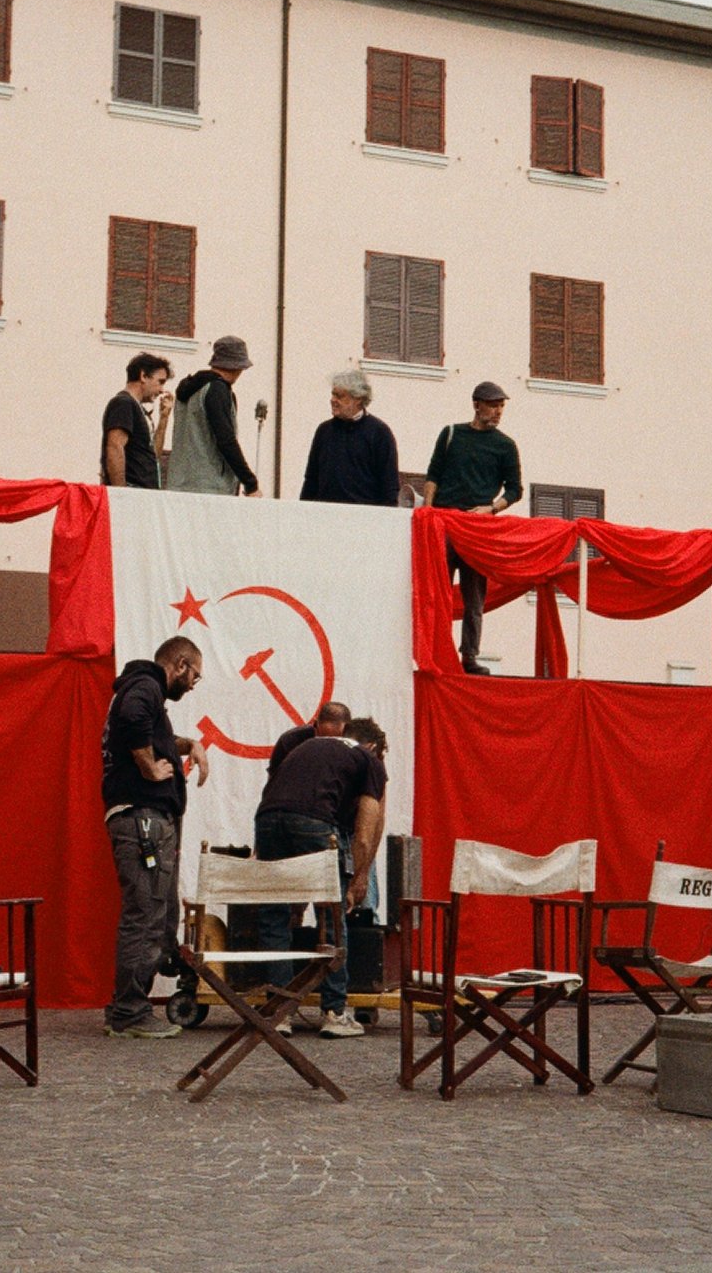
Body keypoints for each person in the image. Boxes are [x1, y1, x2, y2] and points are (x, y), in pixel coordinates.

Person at [249, 703, 388, 1038]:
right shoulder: (368, 760)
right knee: (331, 916)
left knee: (274, 915)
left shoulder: (305, 745)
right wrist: (357, 880)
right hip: (313, 823)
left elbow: (274, 793)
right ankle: (334, 1012)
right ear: (370, 746)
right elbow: (367, 829)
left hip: (267, 820)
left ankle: (279, 1012)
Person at [101, 635, 208, 1039]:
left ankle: (127, 1006)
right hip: (143, 818)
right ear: (180, 664)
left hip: (148, 818)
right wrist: (147, 767)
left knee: (156, 913)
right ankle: (129, 1013)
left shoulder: (143, 691)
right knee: (144, 912)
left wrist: (189, 744)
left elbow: (148, 730)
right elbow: (133, 718)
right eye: (194, 675)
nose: (194, 683)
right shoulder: (144, 687)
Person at [422, 382, 524, 675]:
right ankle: (432, 650)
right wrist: (429, 511)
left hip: (478, 527)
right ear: (477, 404)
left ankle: (469, 656)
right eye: (493, 405)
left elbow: (515, 489)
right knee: (436, 593)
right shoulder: (451, 433)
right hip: (444, 522)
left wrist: (491, 509)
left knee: (474, 596)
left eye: (501, 406)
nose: (498, 411)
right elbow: (433, 474)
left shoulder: (505, 445)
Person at [166, 336, 261, 496]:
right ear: (238, 367)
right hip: (211, 487)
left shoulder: (188, 391)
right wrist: (250, 483)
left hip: (179, 485)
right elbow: (226, 440)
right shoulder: (217, 390)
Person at [298, 369, 400, 506]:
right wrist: (303, 511)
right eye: (333, 394)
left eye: (340, 396)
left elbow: (389, 486)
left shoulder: (380, 433)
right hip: (323, 516)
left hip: (363, 518)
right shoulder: (323, 431)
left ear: (358, 399)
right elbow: (311, 479)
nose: (333, 400)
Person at [102, 352, 173, 489]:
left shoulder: (138, 408)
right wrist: (121, 492)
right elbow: (115, 447)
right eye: (160, 382)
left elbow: (153, 455)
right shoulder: (123, 403)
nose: (161, 390)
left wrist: (164, 418)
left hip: (143, 493)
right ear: (143, 376)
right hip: (132, 491)